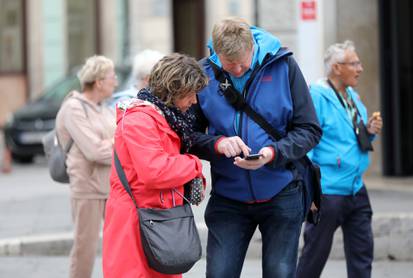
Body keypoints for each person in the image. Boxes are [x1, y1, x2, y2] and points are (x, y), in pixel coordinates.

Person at [189, 18, 322, 277]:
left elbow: (310, 129)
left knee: (279, 273)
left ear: (253, 46)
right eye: (230, 65)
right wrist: (217, 144)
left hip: (282, 192)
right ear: (216, 55)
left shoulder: (284, 66)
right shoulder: (203, 74)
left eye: (243, 62)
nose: (238, 70)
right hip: (228, 197)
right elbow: (186, 135)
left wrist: (273, 153)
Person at [103, 53, 208, 278]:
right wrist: (193, 164)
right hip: (136, 222)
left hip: (157, 218)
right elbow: (155, 173)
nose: (194, 101)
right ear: (174, 90)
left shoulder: (165, 116)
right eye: (190, 94)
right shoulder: (139, 119)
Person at [296, 40, 383, 278]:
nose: (360, 68)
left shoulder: (352, 96)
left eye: (359, 63)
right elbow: (308, 143)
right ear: (336, 67)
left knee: (362, 255)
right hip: (329, 191)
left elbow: (353, 138)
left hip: (356, 188)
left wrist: (369, 131)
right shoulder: (317, 97)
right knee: (314, 256)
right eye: (353, 63)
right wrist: (311, 191)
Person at [55, 55, 118, 278]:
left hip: (110, 185)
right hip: (87, 187)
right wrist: (116, 145)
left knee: (119, 247)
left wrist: (111, 144)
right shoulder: (73, 108)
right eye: (112, 76)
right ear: (99, 81)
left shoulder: (104, 108)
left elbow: (112, 144)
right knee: (85, 250)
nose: (116, 81)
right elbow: (94, 151)